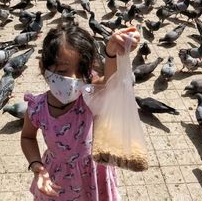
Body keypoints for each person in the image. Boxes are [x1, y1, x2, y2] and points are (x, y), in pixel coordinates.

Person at [21, 25, 140, 200]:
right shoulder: (36, 108)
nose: (74, 79)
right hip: (57, 181)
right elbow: (27, 137)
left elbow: (110, 81)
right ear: (43, 67)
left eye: (81, 72)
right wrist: (37, 166)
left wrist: (112, 52)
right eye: (62, 71)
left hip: (95, 176)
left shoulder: (89, 96)